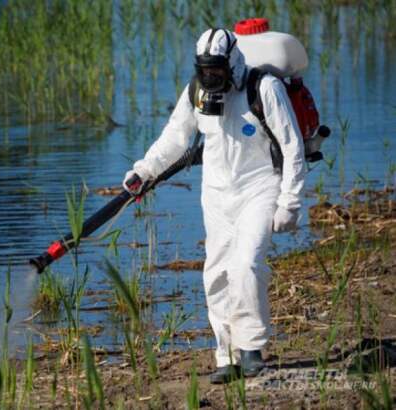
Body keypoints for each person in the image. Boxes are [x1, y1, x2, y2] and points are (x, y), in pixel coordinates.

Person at [123, 28, 305, 384]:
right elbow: (175, 138)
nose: (210, 78)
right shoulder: (196, 91)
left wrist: (290, 201)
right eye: (204, 70)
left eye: (216, 71)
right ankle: (227, 356)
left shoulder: (264, 88)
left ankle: (252, 349)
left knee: (246, 264)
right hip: (216, 194)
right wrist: (143, 171)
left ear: (232, 63)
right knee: (216, 274)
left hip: (260, 187)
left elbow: (293, 146)